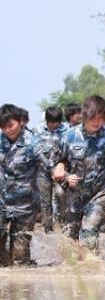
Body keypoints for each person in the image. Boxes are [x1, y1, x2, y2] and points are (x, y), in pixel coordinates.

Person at [52, 96, 105, 253]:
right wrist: (63, 174)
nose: (97, 122)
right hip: (74, 194)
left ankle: (91, 266)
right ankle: (76, 269)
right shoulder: (69, 136)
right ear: (84, 115)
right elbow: (56, 163)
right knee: (70, 237)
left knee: (89, 230)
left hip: (100, 193)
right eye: (93, 117)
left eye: (101, 118)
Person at [0, 104, 48, 265]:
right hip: (1, 203)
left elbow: (50, 164)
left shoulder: (32, 143)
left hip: (25, 206)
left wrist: (61, 173)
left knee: (20, 258)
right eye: (3, 127)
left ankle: (22, 286)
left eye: (10, 125)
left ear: (20, 122)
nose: (7, 130)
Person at [33, 106, 67, 233]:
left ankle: (63, 222)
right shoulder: (37, 130)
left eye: (57, 122)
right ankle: (48, 226)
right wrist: (48, 166)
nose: (55, 125)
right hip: (42, 171)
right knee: (45, 200)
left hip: (60, 170)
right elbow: (35, 150)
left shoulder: (65, 130)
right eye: (52, 122)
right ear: (47, 120)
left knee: (61, 194)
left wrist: (60, 167)